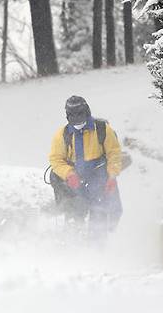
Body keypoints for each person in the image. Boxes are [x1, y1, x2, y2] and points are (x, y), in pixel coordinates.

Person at [48, 96, 123, 235]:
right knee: (75, 210)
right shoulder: (62, 135)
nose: (77, 118)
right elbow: (56, 159)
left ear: (87, 112)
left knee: (104, 210)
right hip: (75, 179)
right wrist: (69, 174)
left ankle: (100, 241)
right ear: (67, 116)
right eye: (72, 115)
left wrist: (112, 176)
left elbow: (114, 154)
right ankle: (74, 240)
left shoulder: (102, 130)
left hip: (98, 176)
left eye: (80, 114)